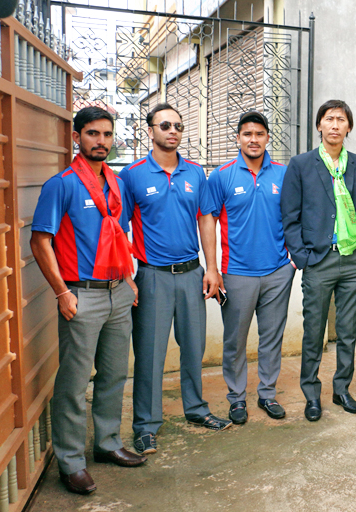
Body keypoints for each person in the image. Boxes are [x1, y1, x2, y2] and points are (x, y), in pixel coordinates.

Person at [31, 106, 146, 495]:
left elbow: (119, 236)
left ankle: (108, 443)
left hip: (117, 293)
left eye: (107, 134)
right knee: (75, 382)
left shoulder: (116, 183)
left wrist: (128, 280)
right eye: (93, 133)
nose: (101, 141)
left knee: (114, 374)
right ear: (77, 137)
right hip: (80, 295)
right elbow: (40, 241)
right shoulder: (61, 185)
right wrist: (62, 292)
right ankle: (71, 462)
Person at [120, 103, 229, 456]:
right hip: (152, 277)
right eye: (165, 125)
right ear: (150, 130)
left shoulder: (195, 173)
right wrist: (127, 275)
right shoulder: (132, 175)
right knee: (150, 354)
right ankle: (146, 426)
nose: (173, 131)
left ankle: (196, 409)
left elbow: (206, 220)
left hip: (191, 274)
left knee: (194, 347)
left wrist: (211, 268)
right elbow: (119, 228)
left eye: (178, 126)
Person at [281, 99, 356, 422]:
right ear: (319, 125)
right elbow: (289, 215)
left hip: (353, 259)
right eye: (329, 119)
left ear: (349, 127)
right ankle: (311, 394)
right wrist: (302, 257)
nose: (335, 125)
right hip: (318, 260)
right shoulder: (301, 164)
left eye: (341, 119)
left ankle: (342, 389)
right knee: (313, 331)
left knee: (347, 331)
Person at [207, 111, 295, 425]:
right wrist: (213, 269)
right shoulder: (221, 176)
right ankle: (237, 399)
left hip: (278, 272)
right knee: (235, 341)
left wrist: (293, 259)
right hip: (237, 273)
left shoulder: (284, 174)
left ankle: (267, 394)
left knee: (272, 338)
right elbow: (208, 221)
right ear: (238, 138)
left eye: (259, 134)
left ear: (268, 137)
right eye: (247, 134)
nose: (253, 139)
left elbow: (297, 215)